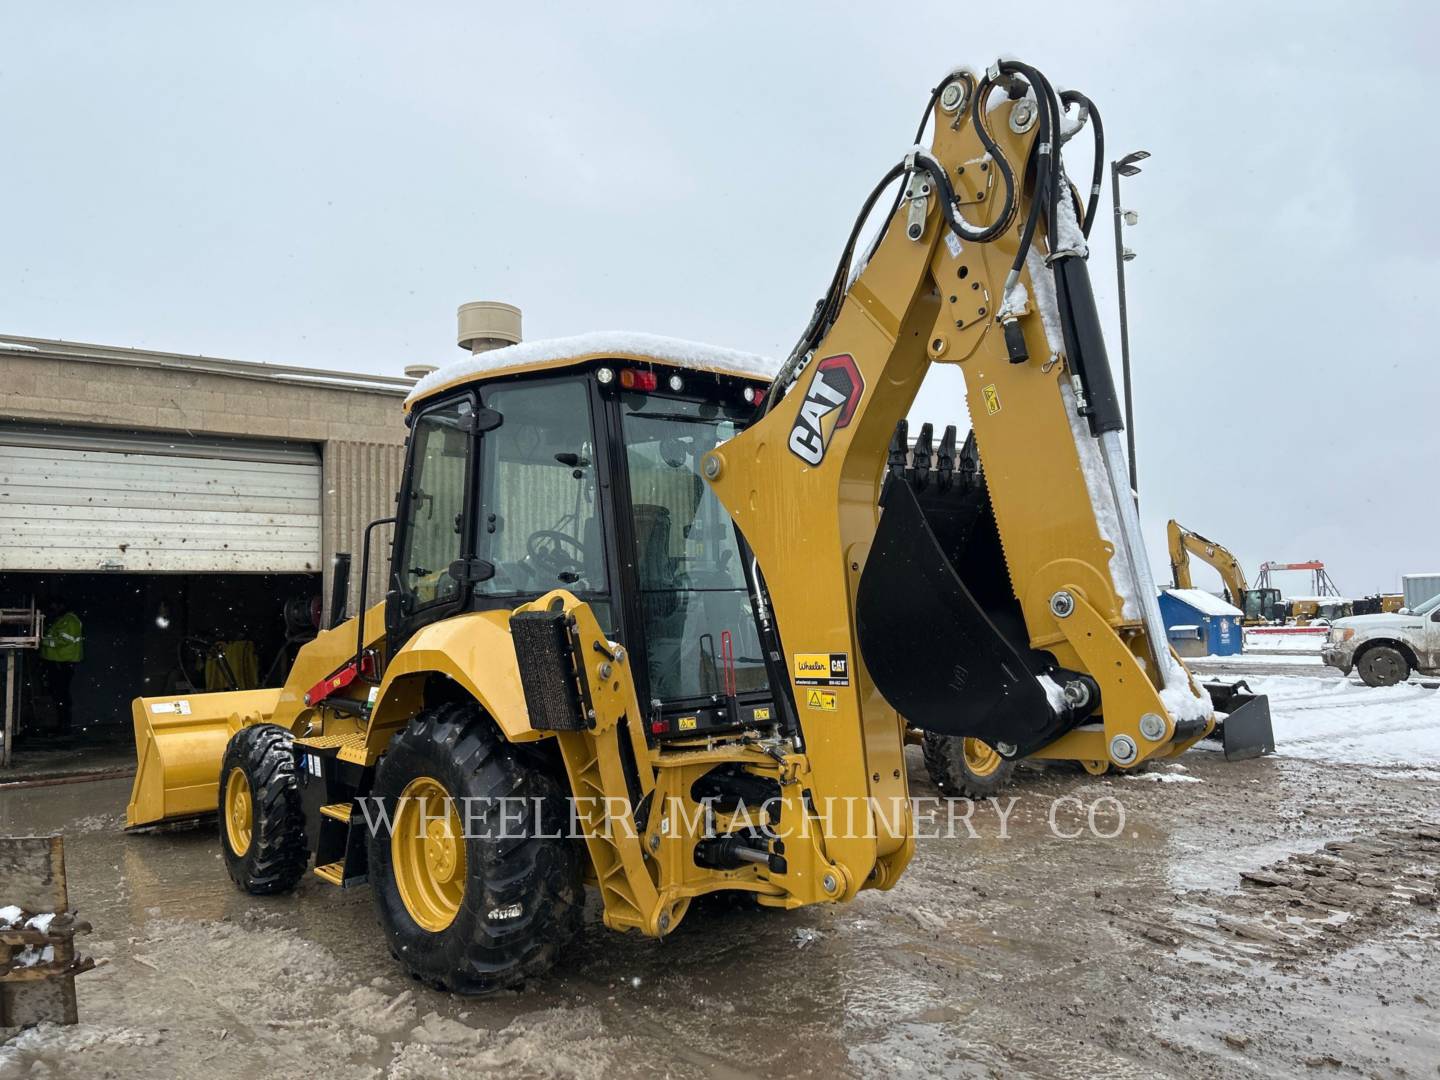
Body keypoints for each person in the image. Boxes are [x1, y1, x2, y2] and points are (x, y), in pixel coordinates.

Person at [39, 599, 83, 736]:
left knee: (61, 694)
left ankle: (64, 726)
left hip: (63, 661)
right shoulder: (64, 619)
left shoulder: (69, 620)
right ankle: (62, 725)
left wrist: (42, 641)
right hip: (59, 661)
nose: (52, 609)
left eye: (54, 606)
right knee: (59, 694)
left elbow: (63, 640)